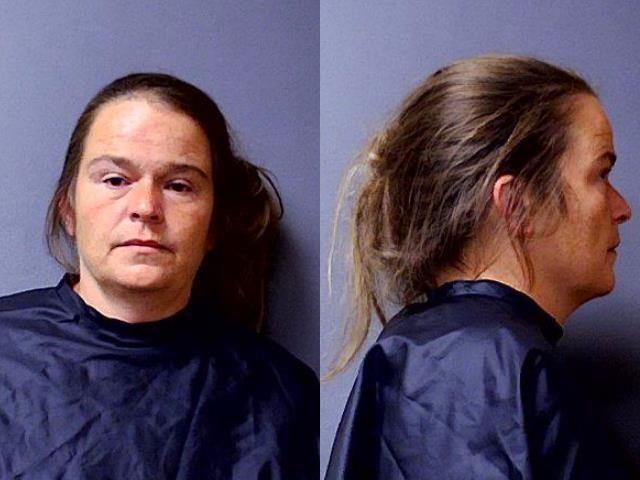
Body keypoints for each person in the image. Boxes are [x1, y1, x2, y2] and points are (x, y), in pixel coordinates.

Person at [325, 55, 636, 479]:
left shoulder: (463, 353)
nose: (622, 208)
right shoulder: (476, 360)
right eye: (601, 174)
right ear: (518, 204)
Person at [0, 73, 317, 479]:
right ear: (69, 210)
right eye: (116, 180)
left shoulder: (283, 396)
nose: (146, 207)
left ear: (215, 223)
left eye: (179, 186)